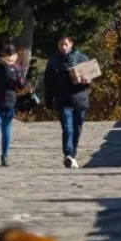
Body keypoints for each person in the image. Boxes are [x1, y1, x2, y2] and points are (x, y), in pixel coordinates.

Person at [44, 35, 92, 169]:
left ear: (71, 44)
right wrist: (48, 99)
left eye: (65, 44)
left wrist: (86, 80)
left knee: (77, 128)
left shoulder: (82, 58)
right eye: (61, 44)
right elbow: (48, 82)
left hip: (80, 98)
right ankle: (68, 154)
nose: (63, 47)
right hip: (63, 99)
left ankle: (72, 155)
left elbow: (90, 79)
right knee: (67, 128)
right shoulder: (53, 61)